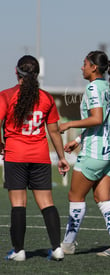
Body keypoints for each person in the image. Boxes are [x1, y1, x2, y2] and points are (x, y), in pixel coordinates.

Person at [0, 55, 70, 261]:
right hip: (40, 156)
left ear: (16, 72)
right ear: (37, 74)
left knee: (18, 204)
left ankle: (19, 251)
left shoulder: (6, 96)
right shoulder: (46, 98)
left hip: (15, 156)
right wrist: (62, 157)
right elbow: (54, 132)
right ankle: (57, 248)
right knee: (47, 202)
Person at [59, 50, 110, 257]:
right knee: (102, 197)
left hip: (94, 154)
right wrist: (78, 140)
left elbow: (96, 118)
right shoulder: (107, 87)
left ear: (93, 67)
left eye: (84, 64)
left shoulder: (93, 88)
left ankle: (68, 245)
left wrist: (69, 124)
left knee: (75, 196)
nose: (82, 67)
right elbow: (104, 120)